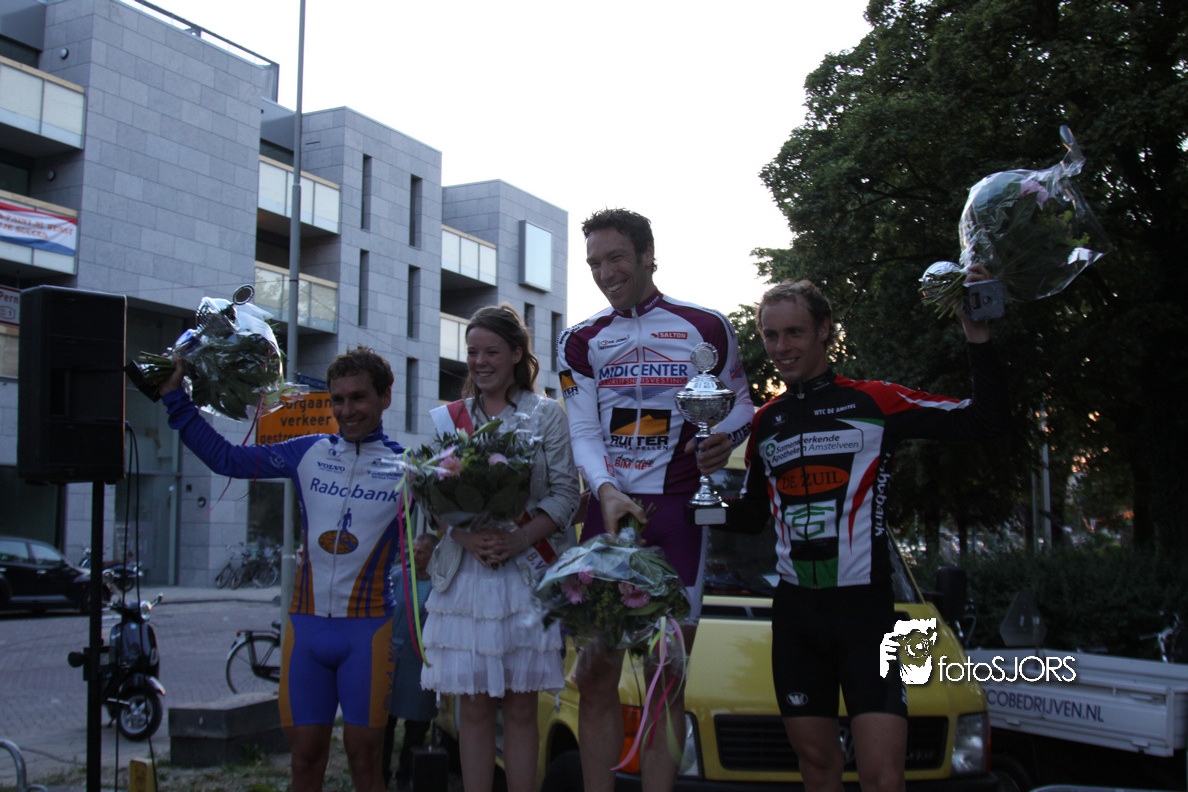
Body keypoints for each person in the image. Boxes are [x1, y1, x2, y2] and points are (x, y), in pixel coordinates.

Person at [719, 273, 1008, 792]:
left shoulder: (874, 402)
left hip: (868, 615)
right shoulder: (767, 421)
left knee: (883, 776)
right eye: (770, 335)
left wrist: (978, 335)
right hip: (795, 616)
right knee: (817, 769)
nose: (781, 347)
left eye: (794, 332)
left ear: (824, 330)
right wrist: (686, 505)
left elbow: (984, 420)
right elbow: (751, 517)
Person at [556, 208, 754, 792]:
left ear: (647, 256)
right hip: (608, 514)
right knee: (595, 676)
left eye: (616, 257)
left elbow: (742, 403)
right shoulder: (579, 340)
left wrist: (724, 437)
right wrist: (607, 490)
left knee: (667, 677)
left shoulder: (706, 325)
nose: (605, 273)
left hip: (679, 514)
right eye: (594, 262)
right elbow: (582, 430)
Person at [159, 346, 405, 792]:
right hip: (305, 627)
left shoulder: (407, 469)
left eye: (359, 397)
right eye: (338, 399)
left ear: (385, 397)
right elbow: (227, 459)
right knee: (304, 759)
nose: (347, 410)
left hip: (368, 630)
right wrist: (176, 399)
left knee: (366, 760)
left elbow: (445, 533)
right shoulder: (307, 452)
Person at [420, 304, 580, 792]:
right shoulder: (448, 419)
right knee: (472, 706)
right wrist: (467, 536)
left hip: (526, 573)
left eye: (490, 352)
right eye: (472, 352)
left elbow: (565, 494)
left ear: (515, 353)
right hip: (466, 576)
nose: (479, 362)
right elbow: (429, 499)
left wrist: (517, 539)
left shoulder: (547, 414)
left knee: (521, 706)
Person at [382, 532, 438, 790]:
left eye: (421, 552)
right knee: (385, 721)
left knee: (417, 724)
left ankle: (406, 775)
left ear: (434, 556)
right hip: (394, 660)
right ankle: (381, 775)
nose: (415, 556)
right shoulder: (397, 577)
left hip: (422, 664)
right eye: (413, 551)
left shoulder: (441, 585)